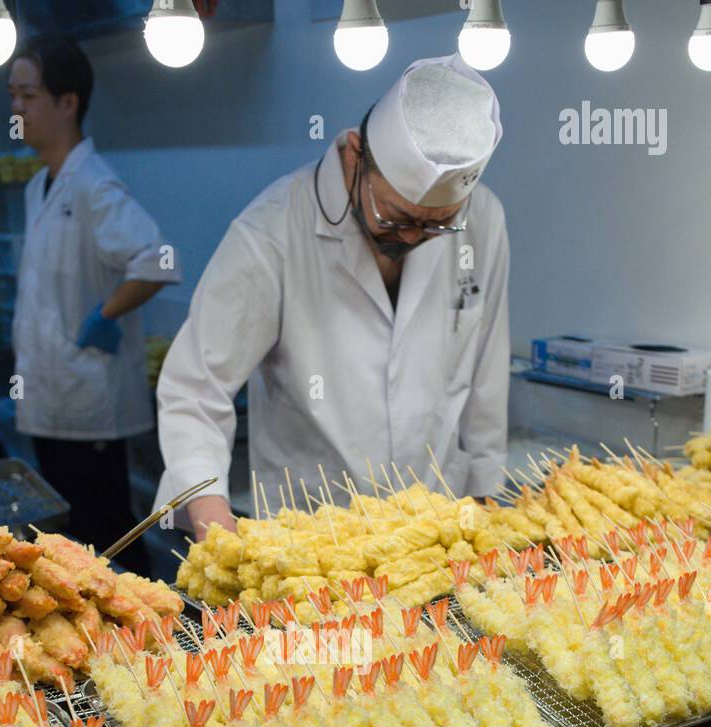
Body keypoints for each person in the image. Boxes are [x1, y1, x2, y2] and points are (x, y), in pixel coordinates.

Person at [154, 52, 508, 538]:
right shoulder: (274, 229)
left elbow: (486, 372)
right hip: (309, 534)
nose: (410, 239)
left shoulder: (484, 220)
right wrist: (215, 530)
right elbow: (197, 389)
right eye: (396, 219)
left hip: (436, 526)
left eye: (436, 227)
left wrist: (485, 501)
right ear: (354, 155)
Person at [10, 34, 178, 567]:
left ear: (67, 102)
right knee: (66, 549)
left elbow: (159, 260)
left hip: (89, 405)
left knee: (107, 544)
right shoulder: (39, 185)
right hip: (47, 399)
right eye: (12, 95)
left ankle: (140, 644)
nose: (16, 108)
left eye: (28, 95)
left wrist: (102, 317)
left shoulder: (94, 184)